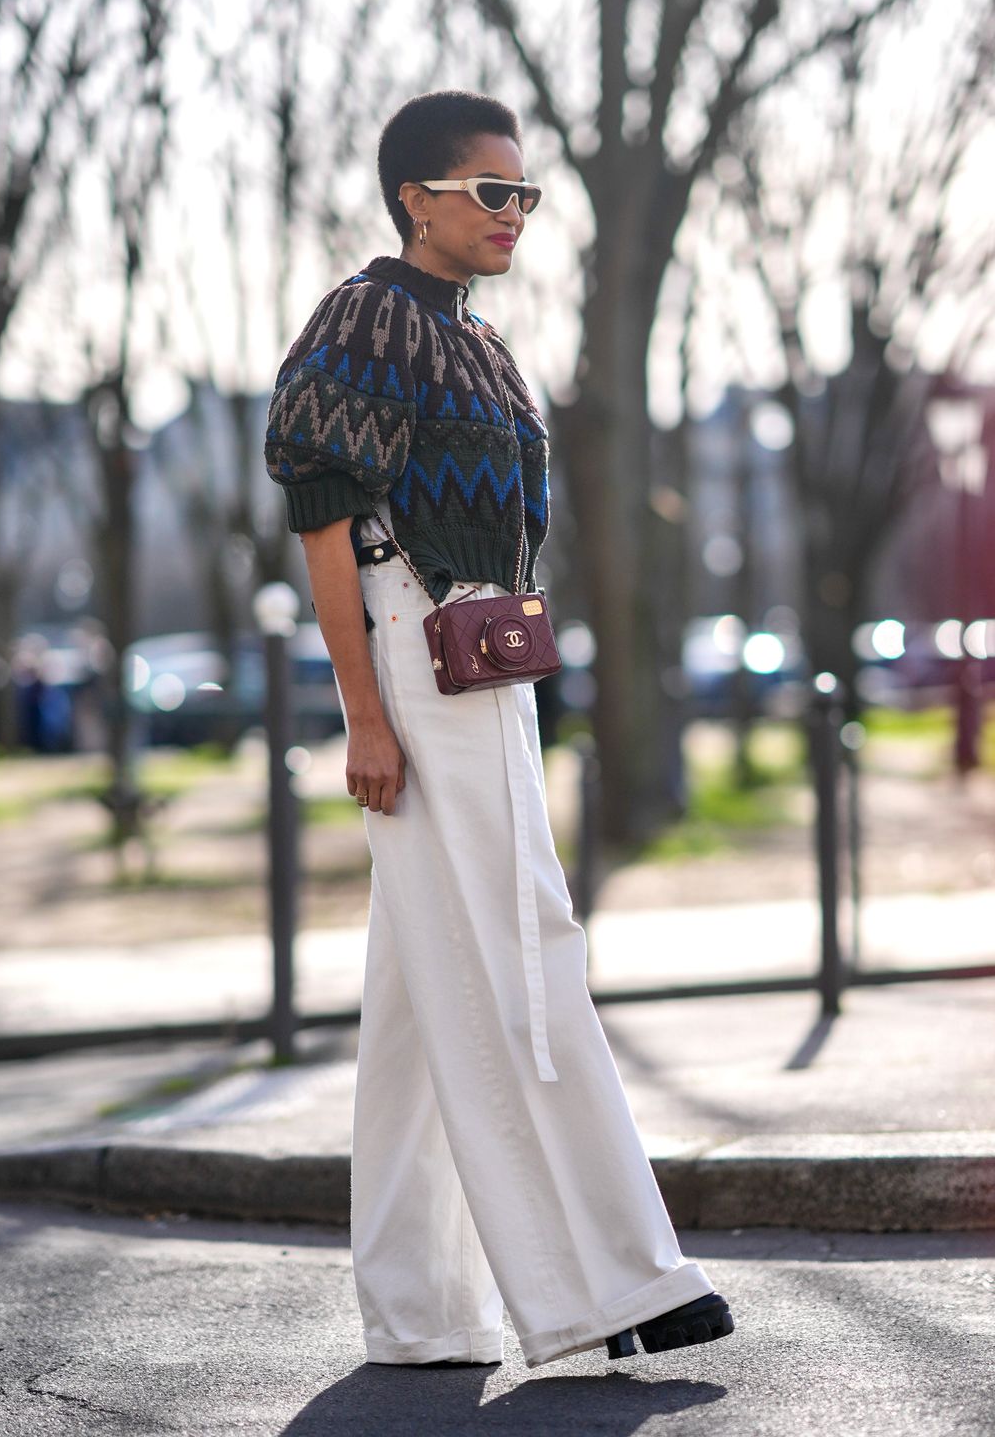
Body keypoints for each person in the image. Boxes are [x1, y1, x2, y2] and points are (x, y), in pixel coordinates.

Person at [264, 89, 734, 1371]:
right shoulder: (367, 319)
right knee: (529, 942)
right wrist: (364, 714)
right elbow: (323, 520)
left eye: (524, 195)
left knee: (423, 997)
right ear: (416, 196)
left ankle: (418, 1310)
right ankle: (610, 1280)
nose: (513, 213)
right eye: (490, 192)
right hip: (418, 661)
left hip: (485, 666)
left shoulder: (474, 337)